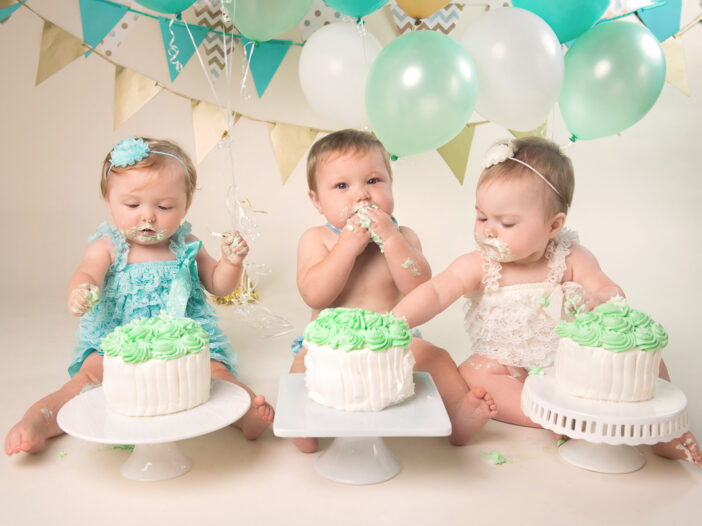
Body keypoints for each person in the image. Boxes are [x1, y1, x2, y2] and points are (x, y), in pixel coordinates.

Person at [393, 136, 701, 466]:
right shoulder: (479, 264)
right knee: (474, 373)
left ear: (553, 225)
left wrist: (596, 299)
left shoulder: (570, 257)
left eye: (506, 222)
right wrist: (394, 320)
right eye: (482, 217)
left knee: (645, 357)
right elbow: (438, 291)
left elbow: (613, 292)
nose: (489, 232)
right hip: (505, 364)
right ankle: (556, 419)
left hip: (569, 366)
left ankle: (664, 434)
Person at [5, 137, 273, 456]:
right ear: (109, 202)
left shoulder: (185, 243)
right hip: (115, 340)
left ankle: (247, 416)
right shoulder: (108, 246)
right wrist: (82, 289)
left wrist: (231, 262)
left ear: (185, 206)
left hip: (182, 339)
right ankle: (39, 422)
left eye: (163, 207)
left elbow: (219, 285)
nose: (147, 217)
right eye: (133, 205)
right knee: (87, 380)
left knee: (216, 373)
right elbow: (88, 272)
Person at [289, 129, 496, 453]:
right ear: (316, 200)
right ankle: (303, 425)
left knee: (437, 359)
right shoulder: (317, 239)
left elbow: (419, 288)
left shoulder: (403, 236)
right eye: (342, 186)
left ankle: (459, 413)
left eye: (373, 181)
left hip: (395, 343)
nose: (361, 196)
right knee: (301, 365)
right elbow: (315, 295)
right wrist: (346, 247)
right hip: (331, 345)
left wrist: (390, 240)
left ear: (390, 183)